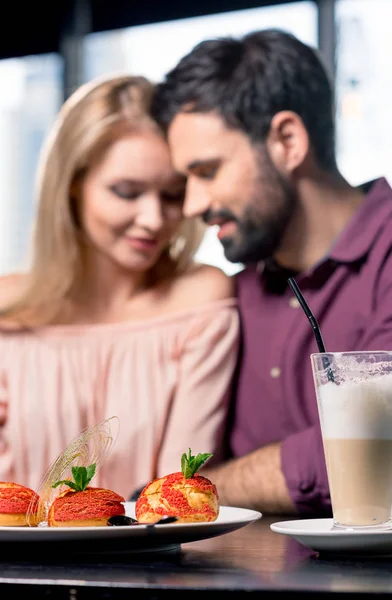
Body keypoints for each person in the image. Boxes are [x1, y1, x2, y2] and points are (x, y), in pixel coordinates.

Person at [151, 28, 392, 516]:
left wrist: (212, 485)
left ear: (287, 140)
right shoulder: (227, 296)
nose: (193, 204)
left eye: (207, 171)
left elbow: (377, 451)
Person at [0, 75, 240, 499]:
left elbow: (177, 492)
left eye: (172, 195)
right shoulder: (6, 306)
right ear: (72, 185)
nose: (153, 220)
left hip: (148, 561)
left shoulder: (200, 301)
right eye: (127, 192)